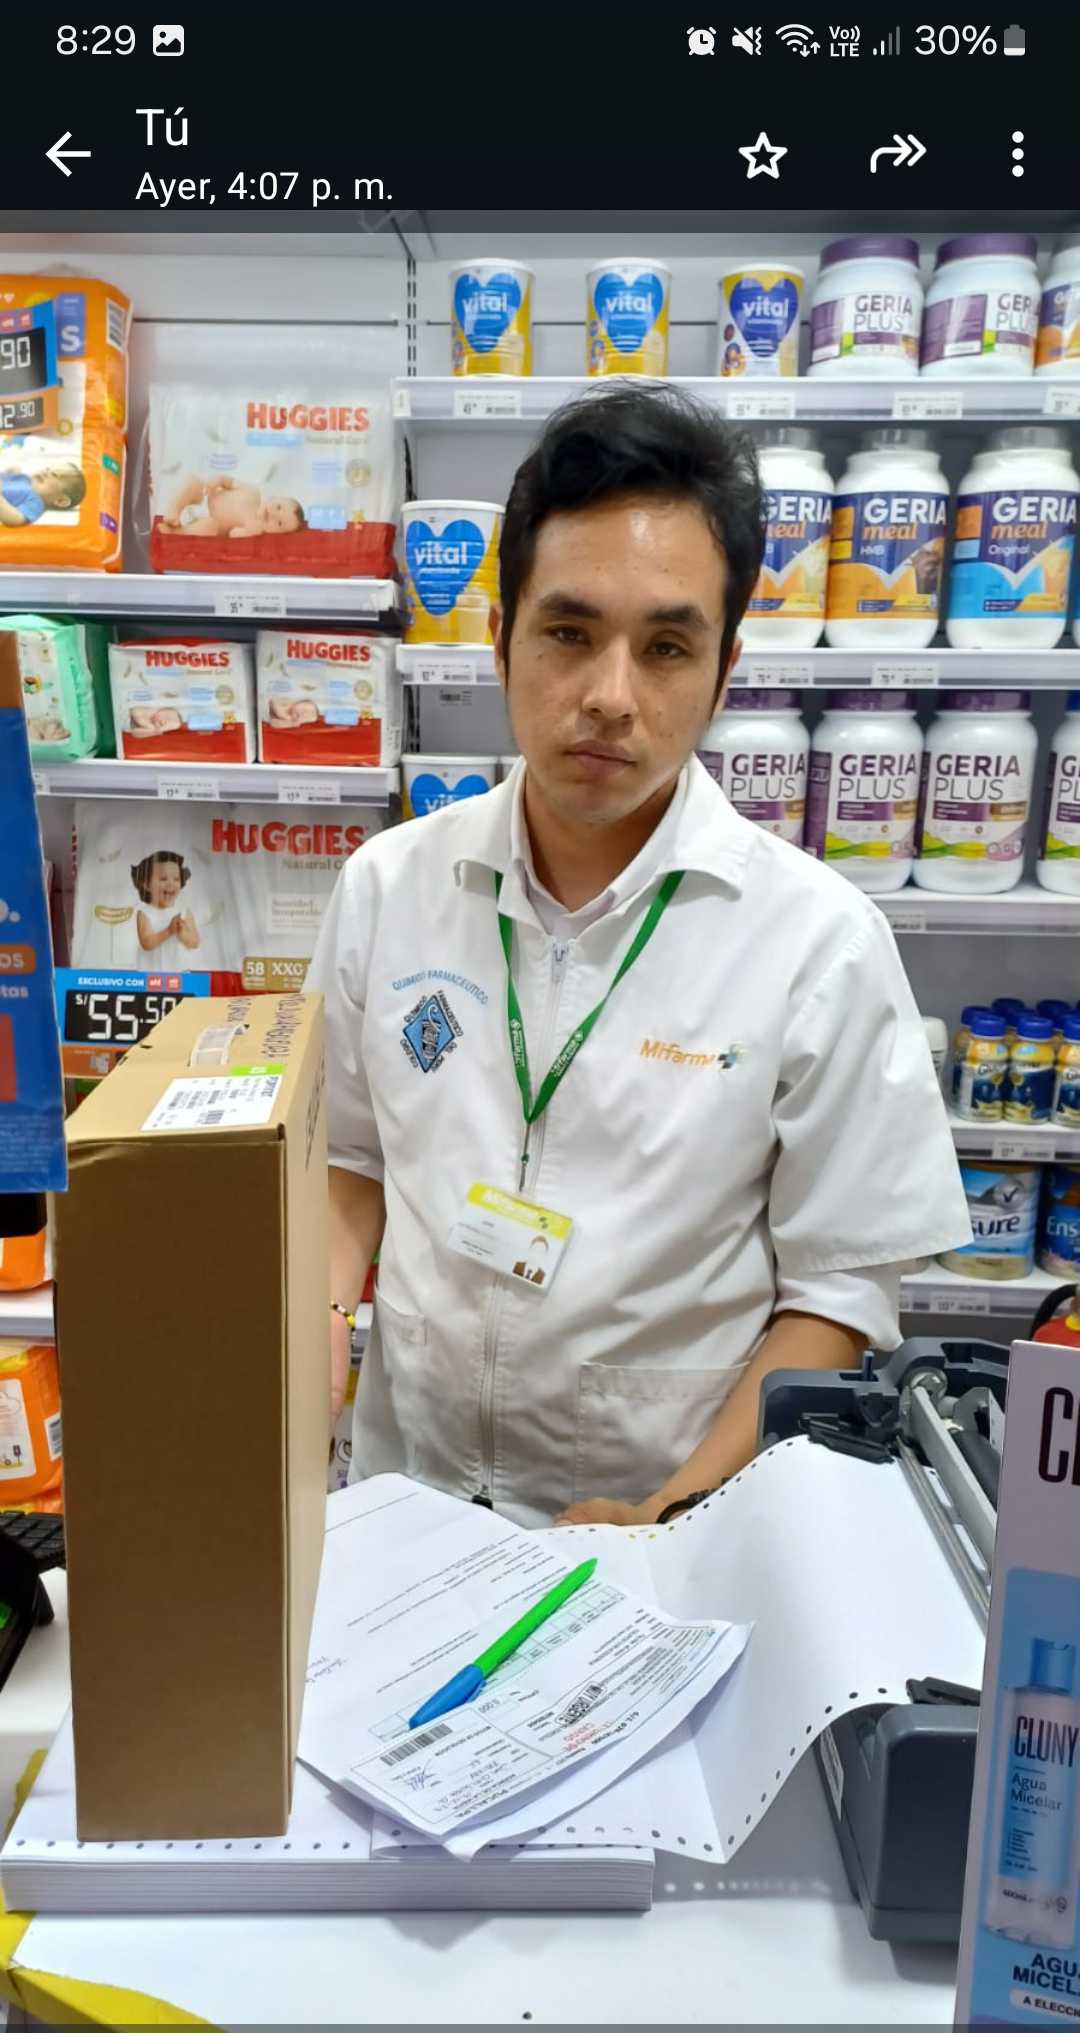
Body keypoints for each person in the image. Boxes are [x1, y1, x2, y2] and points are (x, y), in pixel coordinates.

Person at [308, 384, 970, 1531]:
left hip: (674, 1526)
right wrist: (315, 1322)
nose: (610, 697)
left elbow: (839, 1295)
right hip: (407, 1503)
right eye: (568, 633)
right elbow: (348, 1160)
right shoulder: (388, 886)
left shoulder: (816, 943)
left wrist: (672, 1514)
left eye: (666, 647)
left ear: (724, 671)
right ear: (499, 636)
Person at [159, 474, 306, 538]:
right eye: (279, 507)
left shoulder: (253, 527)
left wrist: (250, 531)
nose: (273, 514)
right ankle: (174, 510)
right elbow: (228, 482)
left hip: (207, 521)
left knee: (209, 527)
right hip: (203, 498)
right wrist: (217, 481)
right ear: (274, 498)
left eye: (279, 523)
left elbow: (233, 534)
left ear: (275, 533)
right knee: (194, 482)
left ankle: (177, 532)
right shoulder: (252, 492)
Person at [131, 849, 201, 967]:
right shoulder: (145, 913)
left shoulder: (184, 912)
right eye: (163, 879)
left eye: (176, 879)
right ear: (147, 885)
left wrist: (183, 933)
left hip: (179, 970)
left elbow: (195, 942)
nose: (171, 883)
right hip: (152, 969)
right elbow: (146, 943)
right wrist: (169, 931)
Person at [0, 454, 87, 527]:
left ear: (60, 501)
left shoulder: (36, 502)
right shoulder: (24, 479)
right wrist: (8, 473)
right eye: (48, 469)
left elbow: (16, 519)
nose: (46, 472)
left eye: (55, 474)